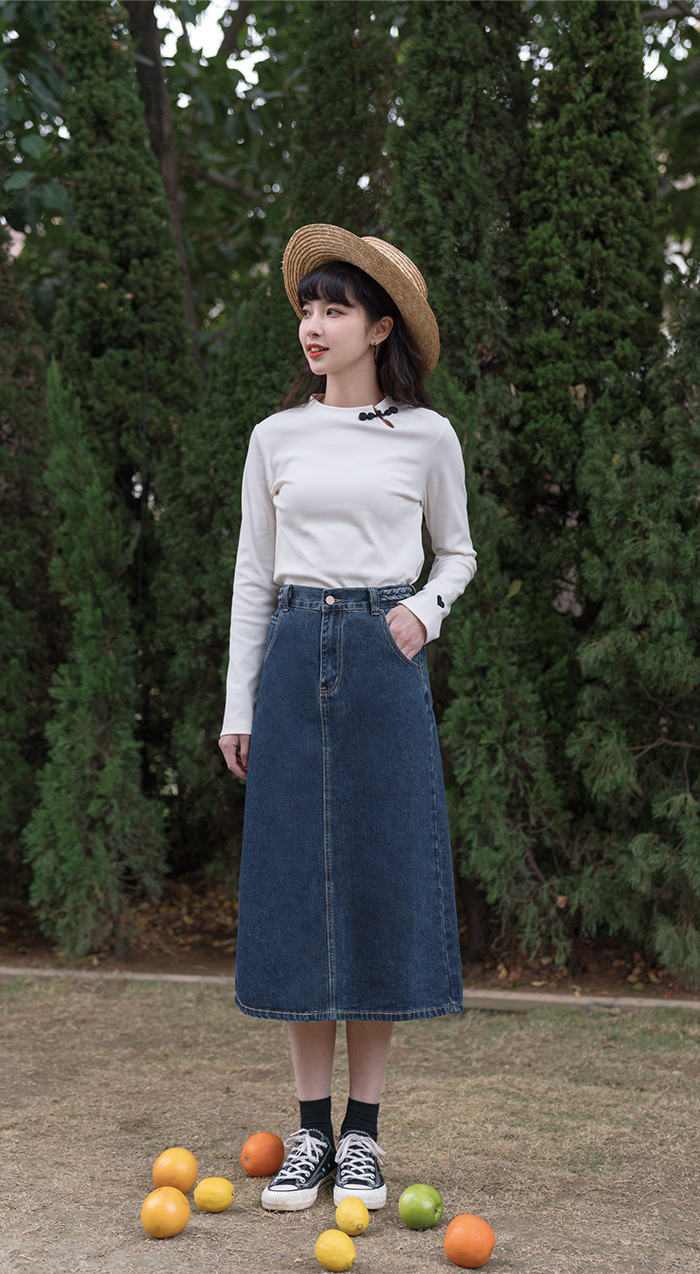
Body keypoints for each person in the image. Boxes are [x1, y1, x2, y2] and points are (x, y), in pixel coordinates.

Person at [217, 223, 477, 1213]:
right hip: (291, 658)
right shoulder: (274, 438)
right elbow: (252, 574)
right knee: (296, 890)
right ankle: (308, 1132)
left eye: (334, 309)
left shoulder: (427, 435)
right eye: (306, 309)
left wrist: (422, 611)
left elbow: (457, 551)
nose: (313, 325)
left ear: (379, 326)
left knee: (375, 886)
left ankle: (362, 1135)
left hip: (381, 657)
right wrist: (237, 702)